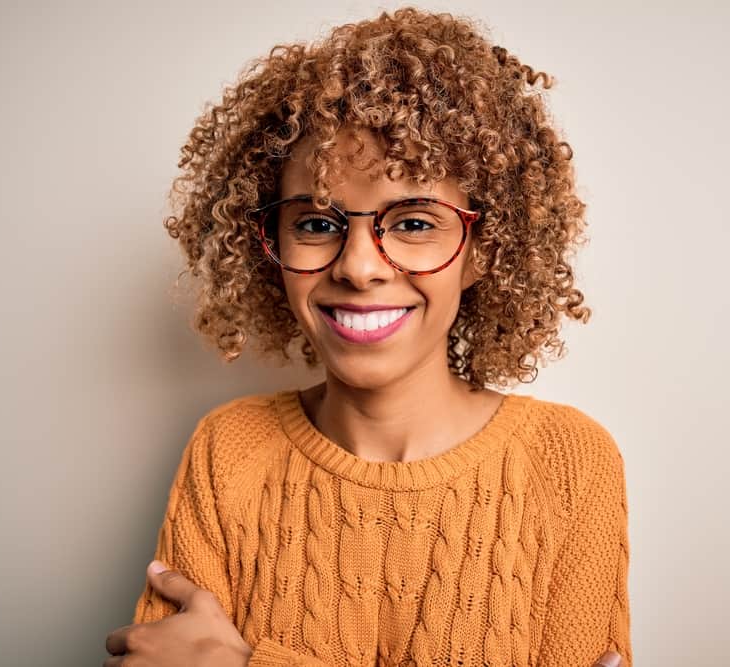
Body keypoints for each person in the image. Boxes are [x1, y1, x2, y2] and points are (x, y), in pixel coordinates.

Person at [104, 7, 631, 667]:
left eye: (413, 222)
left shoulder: (568, 464)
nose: (357, 265)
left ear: (482, 249)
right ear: (269, 242)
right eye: (318, 224)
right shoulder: (227, 453)